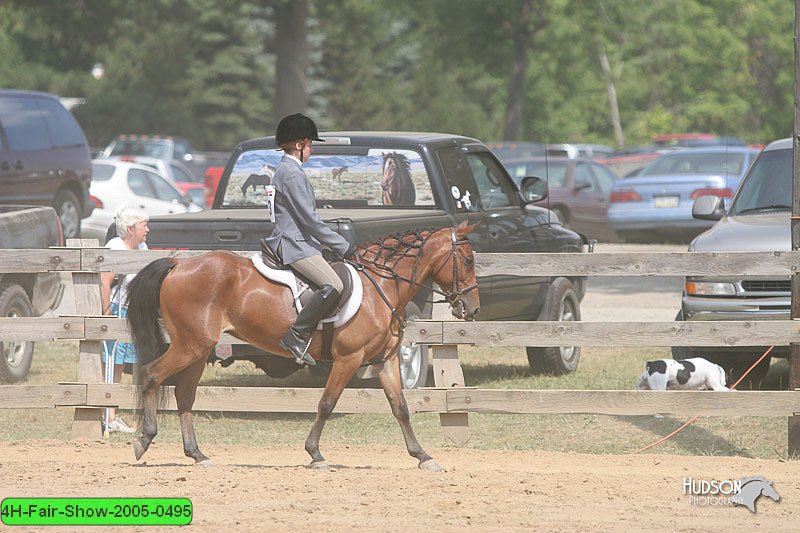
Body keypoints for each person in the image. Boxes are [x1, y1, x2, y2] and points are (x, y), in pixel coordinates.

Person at [263, 113, 355, 366]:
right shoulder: (292, 173)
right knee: (333, 285)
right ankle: (296, 335)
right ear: (300, 144)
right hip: (294, 244)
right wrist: (343, 246)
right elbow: (310, 220)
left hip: (297, 239)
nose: (312, 150)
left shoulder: (285, 169)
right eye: (311, 144)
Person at [99, 206, 150, 433]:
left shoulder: (141, 247)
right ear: (130, 229)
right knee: (112, 361)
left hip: (132, 310)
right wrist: (106, 313)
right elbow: (105, 282)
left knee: (121, 364)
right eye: (143, 226)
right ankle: (107, 416)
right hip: (117, 308)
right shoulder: (115, 248)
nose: (147, 230)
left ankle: (111, 414)